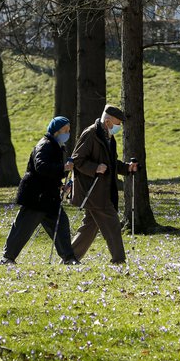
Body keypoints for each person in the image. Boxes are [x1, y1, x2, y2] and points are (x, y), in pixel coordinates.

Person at [0, 116, 79, 265]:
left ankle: (68, 258)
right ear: (56, 131)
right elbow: (41, 167)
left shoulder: (56, 146)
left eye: (68, 130)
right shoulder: (45, 145)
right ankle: (7, 257)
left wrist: (61, 186)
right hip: (35, 196)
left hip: (49, 196)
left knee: (61, 224)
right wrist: (63, 168)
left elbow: (51, 174)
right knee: (22, 228)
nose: (68, 133)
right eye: (65, 130)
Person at [70, 104, 138, 264]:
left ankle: (69, 258)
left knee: (89, 227)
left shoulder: (108, 136)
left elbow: (111, 163)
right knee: (113, 223)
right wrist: (95, 168)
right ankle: (119, 260)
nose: (119, 127)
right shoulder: (91, 134)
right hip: (92, 190)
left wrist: (127, 168)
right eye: (117, 124)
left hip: (101, 189)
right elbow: (77, 160)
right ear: (107, 122)